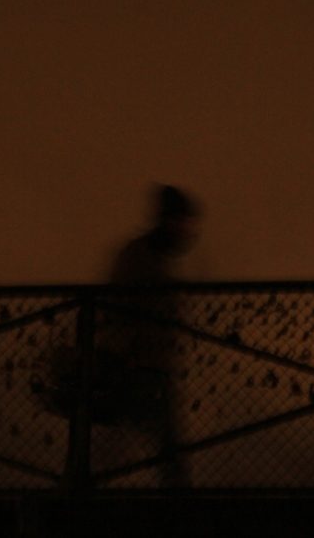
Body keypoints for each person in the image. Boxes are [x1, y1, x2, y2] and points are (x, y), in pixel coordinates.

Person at [102, 184, 201, 487]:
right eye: (182, 222)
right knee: (163, 445)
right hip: (137, 367)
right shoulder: (142, 258)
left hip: (141, 365)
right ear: (168, 220)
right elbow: (118, 308)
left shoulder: (146, 256)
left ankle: (83, 492)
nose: (187, 231)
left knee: (116, 443)